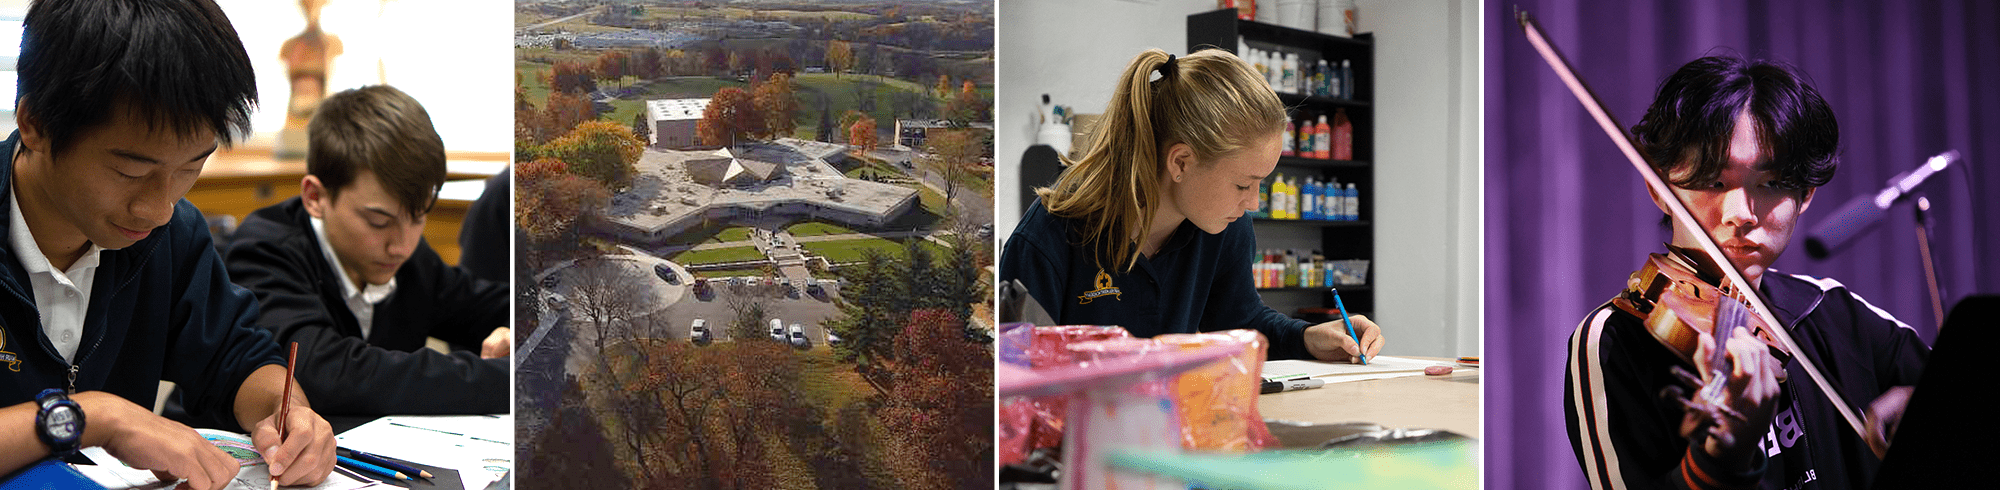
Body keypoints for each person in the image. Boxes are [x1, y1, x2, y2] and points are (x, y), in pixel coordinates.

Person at [0, 0, 336, 488]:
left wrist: (289, 419)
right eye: (130, 171)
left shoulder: (174, 235)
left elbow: (236, 358)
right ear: (34, 124)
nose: (159, 209)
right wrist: (96, 417)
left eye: (191, 168)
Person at [1563, 56, 1927, 490]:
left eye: (1771, 184)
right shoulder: (1617, 338)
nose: (1741, 214)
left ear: (1805, 195)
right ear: (1659, 188)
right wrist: (1720, 457)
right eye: (1714, 182)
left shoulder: (1827, 308)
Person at [997, 48, 1384, 361]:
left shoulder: (1222, 224)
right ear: (1180, 162)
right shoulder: (1050, 236)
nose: (1252, 203)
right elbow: (1014, 379)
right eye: (1242, 184)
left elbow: (1239, 321)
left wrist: (1307, 338)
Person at [223, 85, 510, 416]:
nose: (401, 245)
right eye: (378, 221)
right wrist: (514, 381)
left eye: (418, 217)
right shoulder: (263, 252)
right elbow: (325, 375)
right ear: (315, 197)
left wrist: (516, 329)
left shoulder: (411, 260)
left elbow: (498, 305)